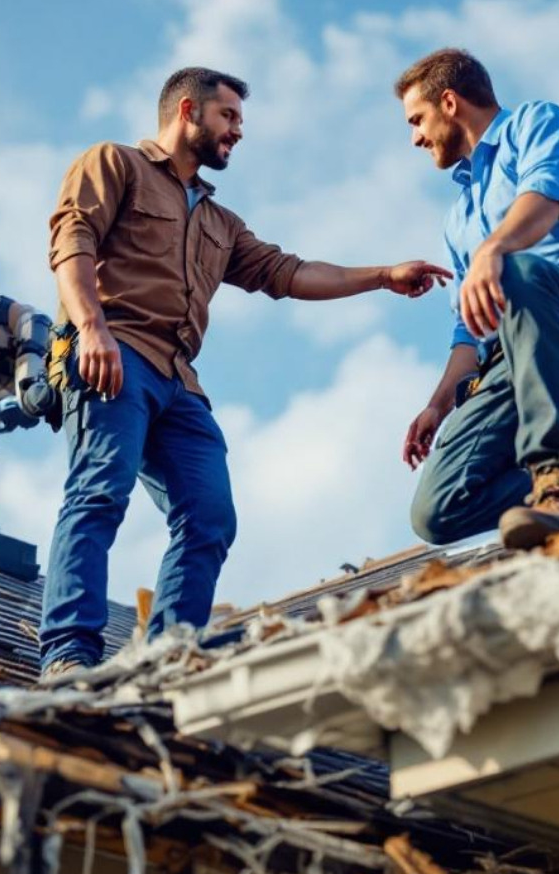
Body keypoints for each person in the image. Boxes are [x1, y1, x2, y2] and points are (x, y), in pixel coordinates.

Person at [39, 66, 450, 677]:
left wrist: (383, 276)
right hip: (115, 352)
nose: (237, 132)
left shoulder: (219, 222)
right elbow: (71, 243)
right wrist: (91, 329)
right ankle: (67, 653)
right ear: (187, 111)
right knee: (100, 491)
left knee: (210, 516)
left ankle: (167, 656)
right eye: (228, 117)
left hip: (179, 383)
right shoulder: (115, 163)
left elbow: (290, 273)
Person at [395, 48, 559, 550]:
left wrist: (494, 249)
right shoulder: (458, 220)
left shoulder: (536, 123)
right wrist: (436, 405)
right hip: (511, 360)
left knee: (518, 271)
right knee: (437, 509)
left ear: (449, 102)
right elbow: (469, 330)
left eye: (417, 119)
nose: (415, 137)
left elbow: (546, 200)